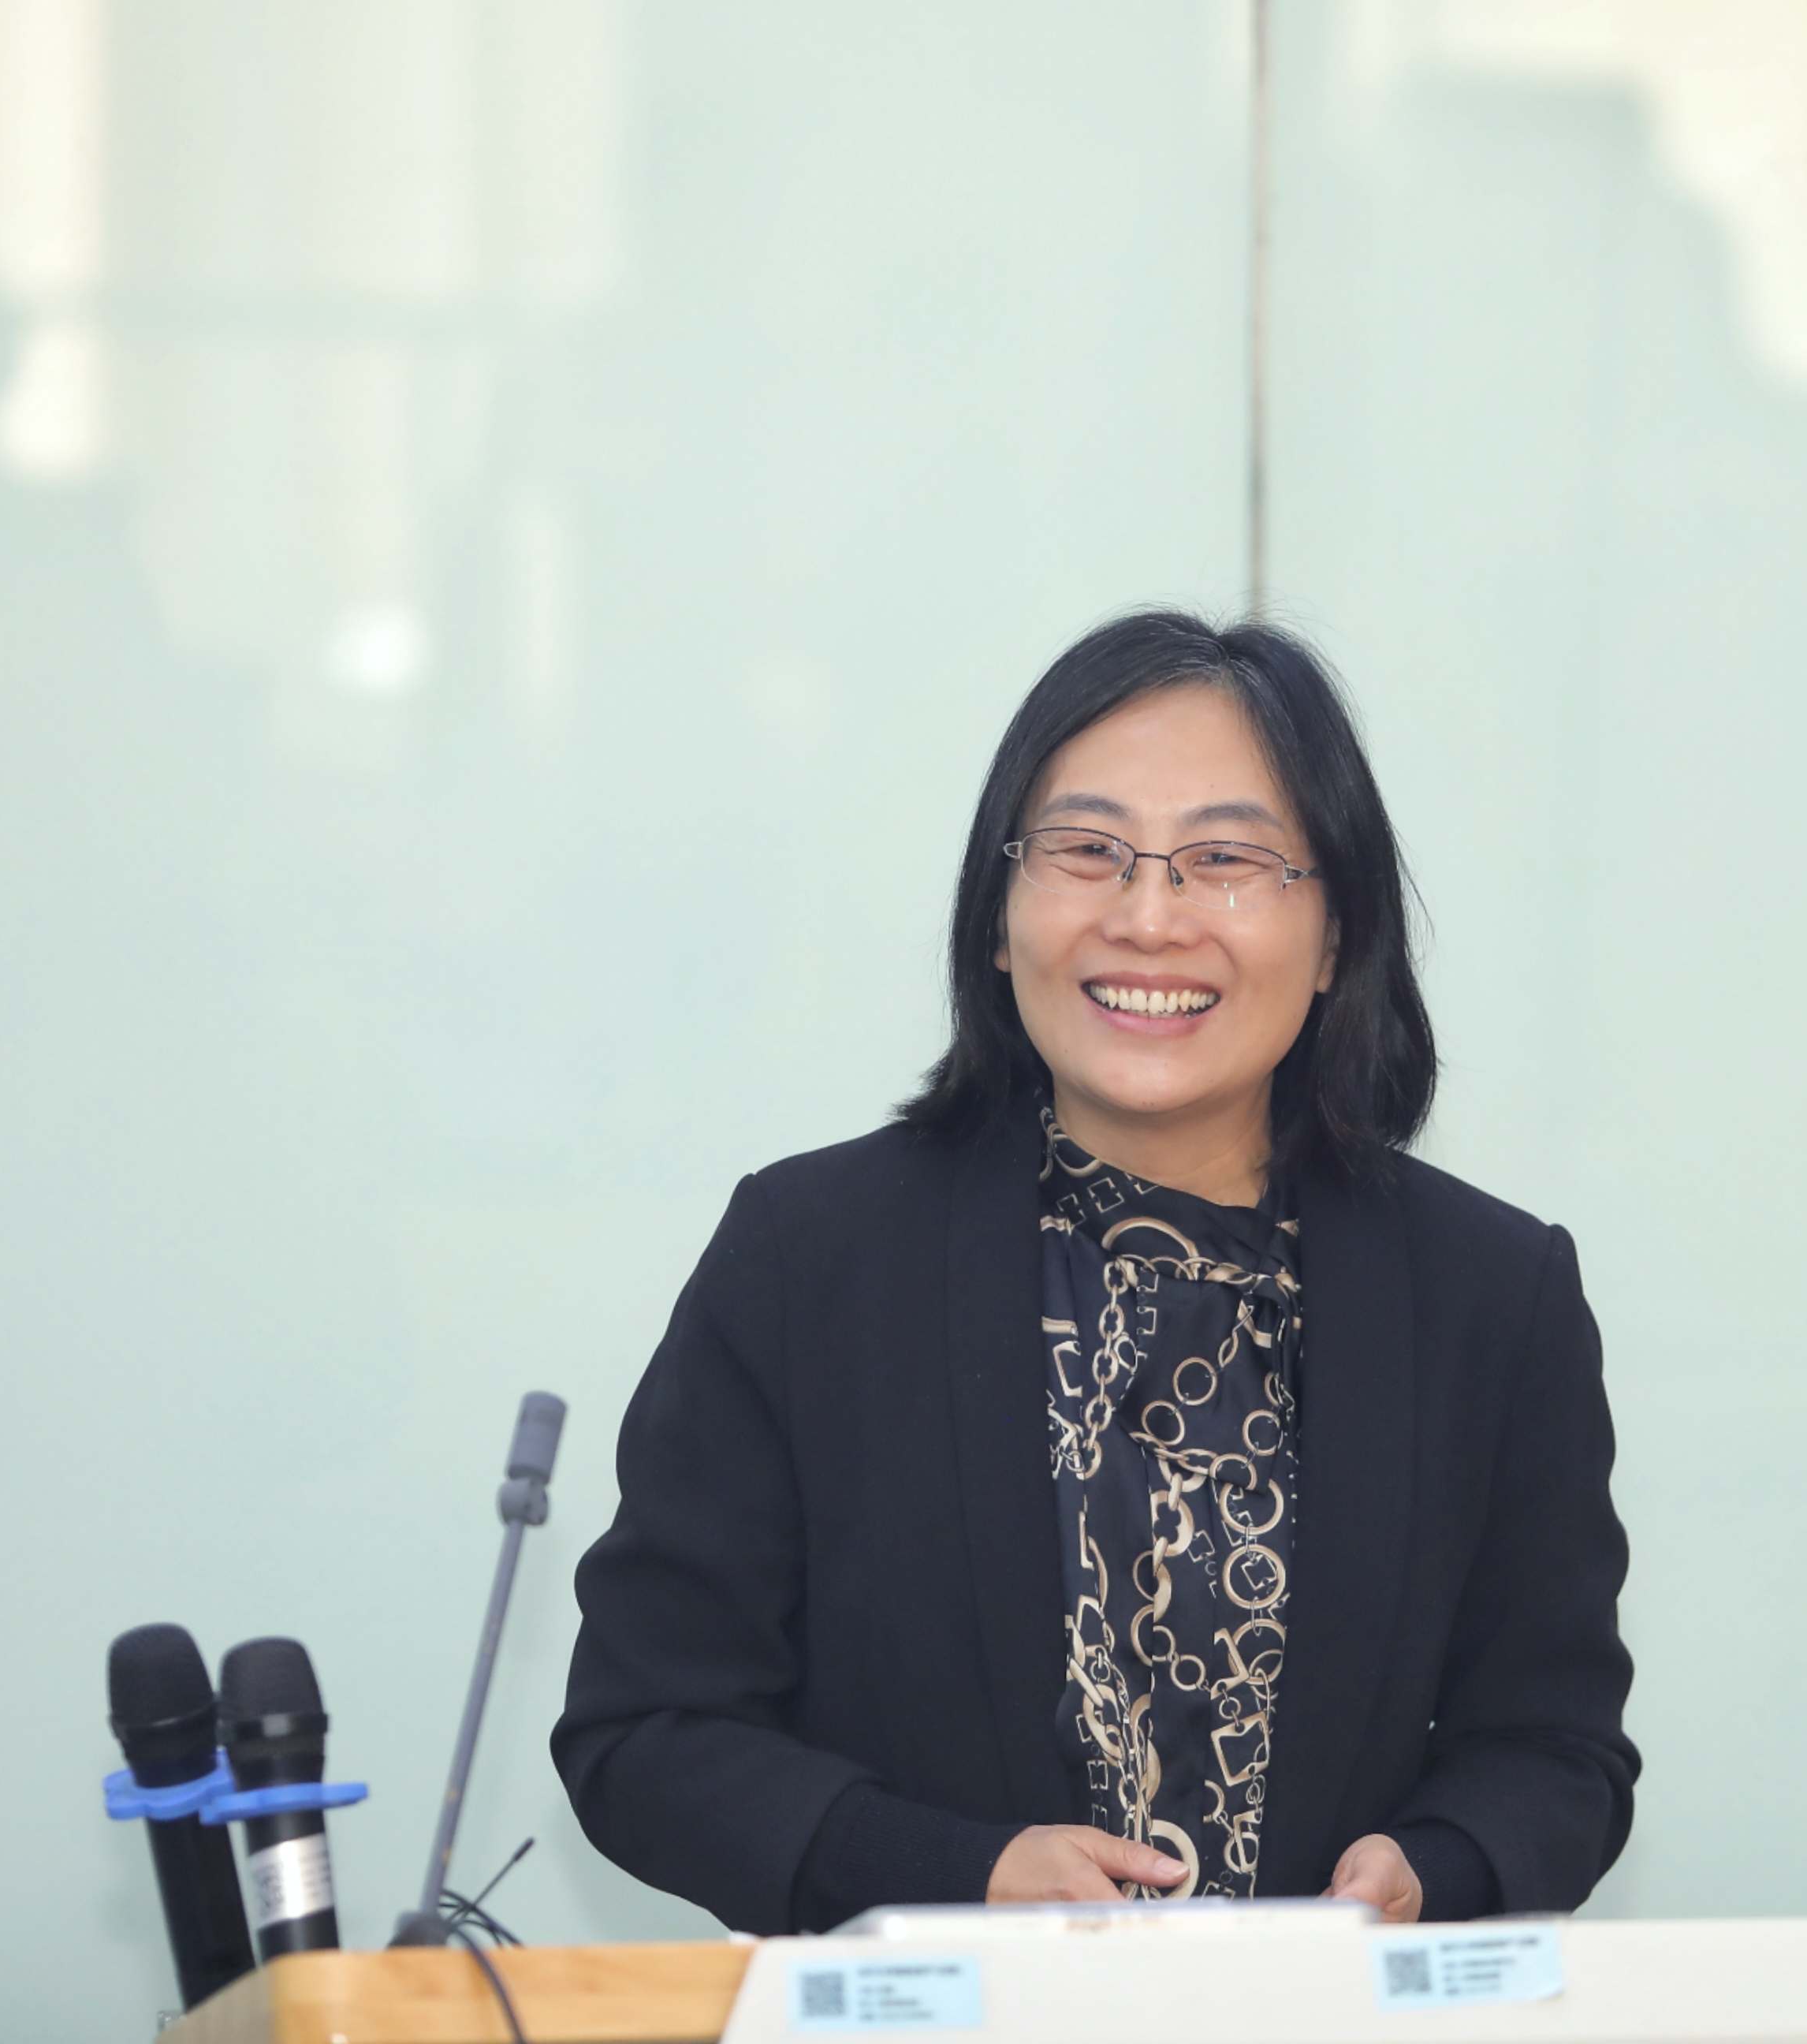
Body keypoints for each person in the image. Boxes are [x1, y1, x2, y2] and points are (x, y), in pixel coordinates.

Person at [554, 611, 1636, 1933]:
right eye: (1087, 851)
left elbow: (1555, 1751)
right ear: (999, 918)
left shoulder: (1491, 1296)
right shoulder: (812, 1257)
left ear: (1336, 937)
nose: (1148, 916)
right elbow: (647, 1731)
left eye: (1225, 859)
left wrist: (1439, 1869)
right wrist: (951, 1873)